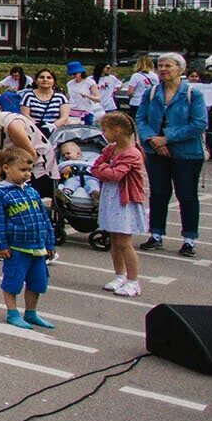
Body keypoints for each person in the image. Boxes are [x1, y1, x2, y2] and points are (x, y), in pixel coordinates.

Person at [135, 52, 209, 256]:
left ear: (180, 69)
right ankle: (156, 234)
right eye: (160, 66)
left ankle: (189, 238)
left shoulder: (193, 94)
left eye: (168, 66)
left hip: (186, 153)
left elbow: (199, 123)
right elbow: (140, 119)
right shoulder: (150, 93)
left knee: (187, 194)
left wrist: (167, 138)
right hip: (156, 151)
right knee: (158, 193)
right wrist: (153, 141)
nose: (163, 69)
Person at [0, 146, 57, 330]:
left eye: (29, 170)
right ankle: (12, 313)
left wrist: (49, 242)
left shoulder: (32, 192)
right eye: (23, 170)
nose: (27, 174)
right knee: (13, 282)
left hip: (38, 246)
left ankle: (31, 313)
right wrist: (2, 245)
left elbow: (44, 219)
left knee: (38, 282)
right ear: (6, 168)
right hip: (17, 248)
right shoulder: (1, 193)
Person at [90, 111, 148, 297]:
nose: (103, 133)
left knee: (124, 241)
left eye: (105, 130)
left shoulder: (132, 153)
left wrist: (105, 168)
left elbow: (116, 174)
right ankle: (119, 275)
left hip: (125, 200)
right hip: (110, 197)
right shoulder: (110, 149)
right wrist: (105, 169)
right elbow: (94, 168)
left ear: (117, 131)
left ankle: (133, 280)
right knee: (114, 239)